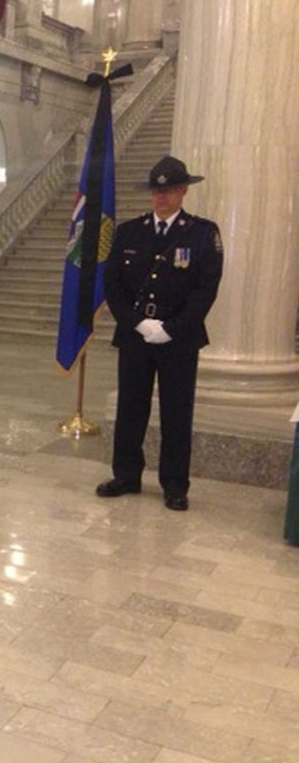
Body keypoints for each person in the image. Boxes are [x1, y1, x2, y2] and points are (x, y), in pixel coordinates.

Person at [96, 155, 224, 511]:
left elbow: (206, 288)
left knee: (176, 411)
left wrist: (171, 328)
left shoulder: (202, 233)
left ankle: (174, 484)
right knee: (130, 408)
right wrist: (137, 323)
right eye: (156, 190)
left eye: (168, 190)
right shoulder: (128, 232)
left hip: (178, 339)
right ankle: (126, 475)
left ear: (183, 191)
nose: (161, 197)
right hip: (136, 334)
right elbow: (113, 284)